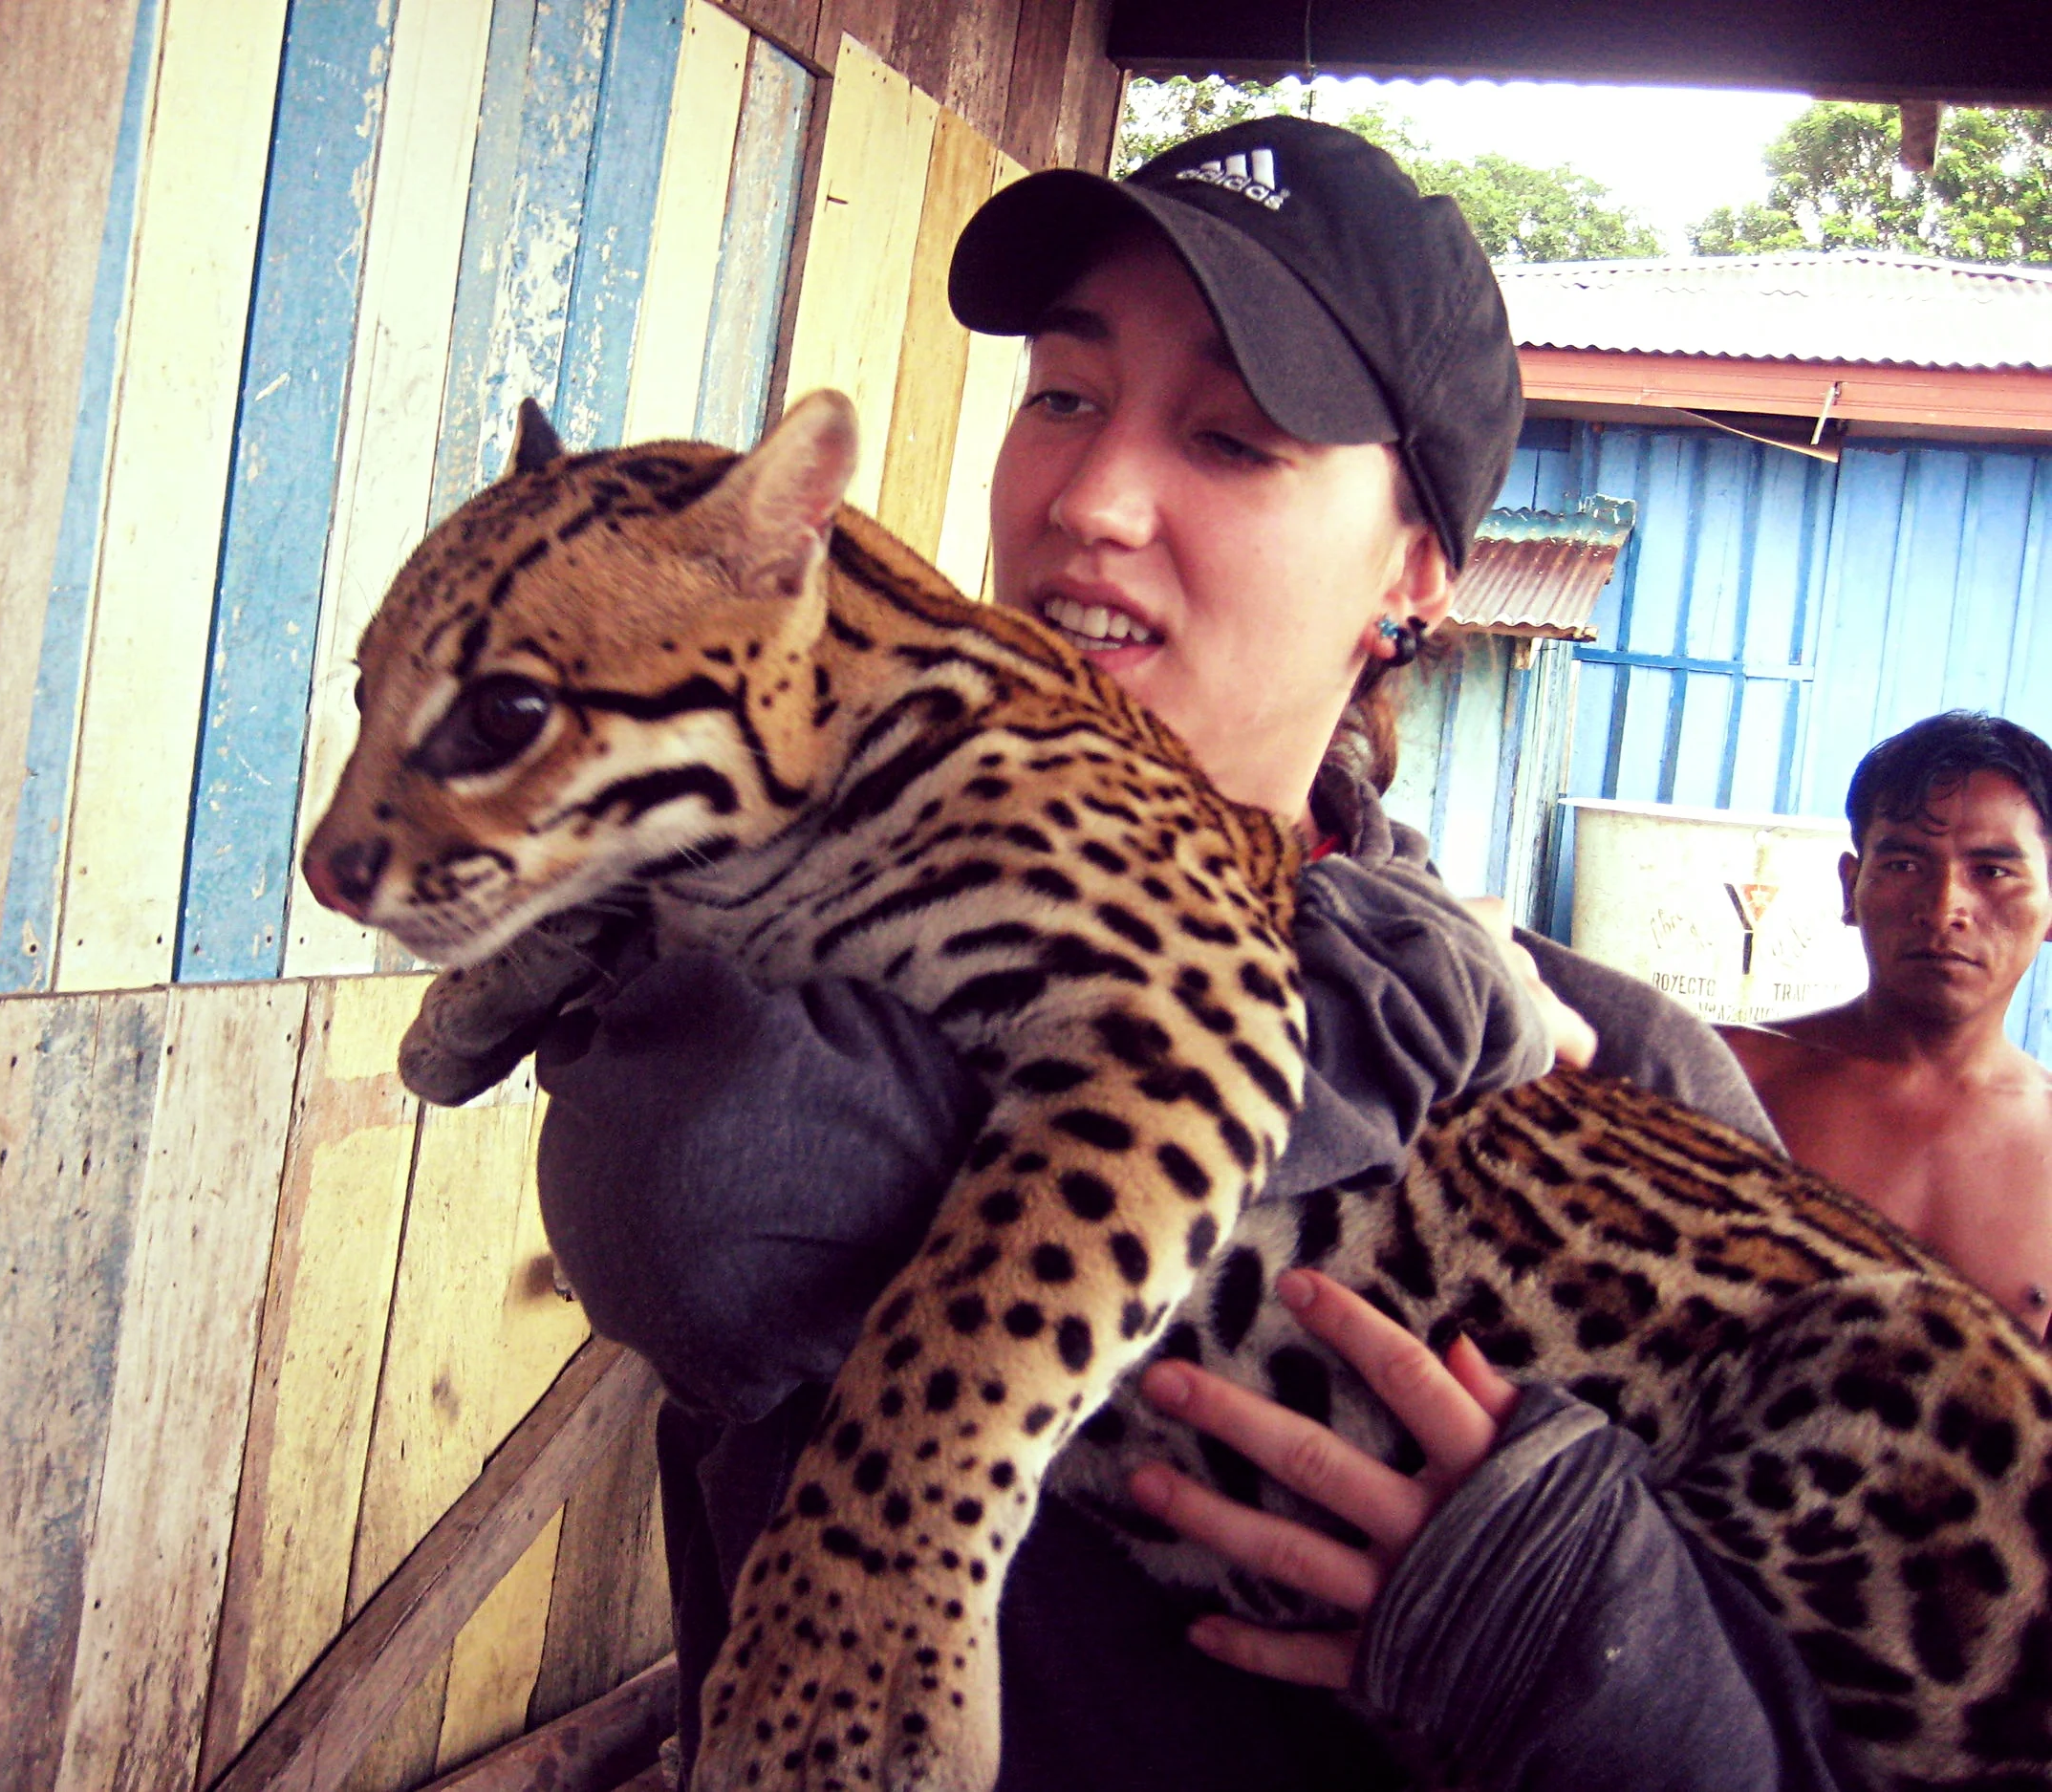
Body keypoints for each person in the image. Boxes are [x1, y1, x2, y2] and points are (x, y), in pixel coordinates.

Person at [533, 119, 1860, 1790]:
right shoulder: (805, 955)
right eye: (1064, 396)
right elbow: (703, 1197)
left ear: (1417, 571)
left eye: (1232, 438)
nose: (1088, 501)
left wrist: (1589, 1644)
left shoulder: (1621, 1076)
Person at [1720, 711, 2052, 1338]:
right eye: (1904, 864)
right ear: (1852, 886)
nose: (1945, 906)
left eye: (1993, 871)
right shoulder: (1732, 1075)